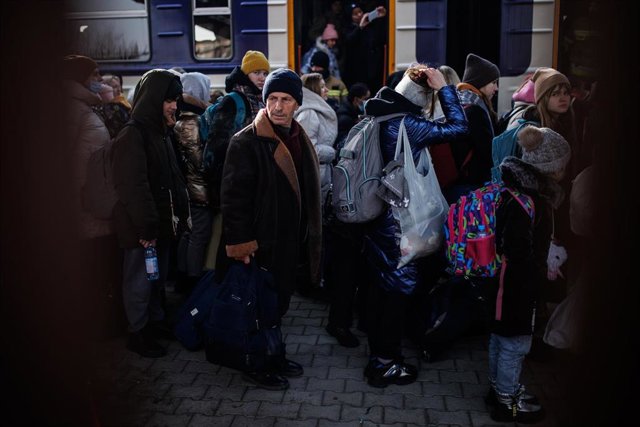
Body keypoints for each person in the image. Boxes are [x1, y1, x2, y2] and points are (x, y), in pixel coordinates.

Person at [335, 65, 468, 386]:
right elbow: (458, 127)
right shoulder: (407, 124)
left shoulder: (377, 116)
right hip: (398, 222)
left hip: (377, 214)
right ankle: (384, 363)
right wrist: (444, 89)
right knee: (398, 290)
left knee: (382, 285)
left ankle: (379, 353)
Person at [215, 68, 322, 390]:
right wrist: (241, 244)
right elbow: (233, 200)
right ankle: (257, 363)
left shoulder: (298, 136)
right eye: (272, 98)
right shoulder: (246, 141)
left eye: (286, 99)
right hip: (261, 243)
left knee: (278, 305)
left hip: (289, 240)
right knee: (258, 309)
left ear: (297, 103)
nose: (278, 106)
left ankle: (274, 354)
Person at [487, 125, 571, 423]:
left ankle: (499, 388)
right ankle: (506, 400)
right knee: (515, 343)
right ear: (549, 169)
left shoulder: (518, 193)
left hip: (506, 281)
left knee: (501, 337)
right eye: (561, 167)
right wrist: (535, 282)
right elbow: (519, 249)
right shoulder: (530, 202)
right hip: (517, 285)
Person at [111, 69, 191, 358]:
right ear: (154, 99)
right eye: (169, 100)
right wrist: (146, 229)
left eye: (176, 100)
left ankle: (154, 323)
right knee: (140, 282)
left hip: (158, 226)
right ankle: (137, 331)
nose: (174, 106)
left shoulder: (161, 132)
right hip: (142, 230)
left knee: (155, 280)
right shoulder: (133, 135)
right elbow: (133, 186)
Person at [63, 54, 124, 338]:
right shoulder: (71, 108)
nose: (99, 80)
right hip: (84, 203)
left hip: (94, 200)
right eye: (95, 74)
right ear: (81, 77)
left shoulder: (85, 106)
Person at [202, 50, 270, 270]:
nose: (261, 77)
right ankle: (212, 279)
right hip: (229, 179)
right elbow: (215, 146)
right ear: (245, 73)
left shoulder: (262, 101)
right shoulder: (232, 101)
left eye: (264, 73)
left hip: (253, 179)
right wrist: (218, 183)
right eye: (256, 72)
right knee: (223, 231)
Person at [173, 72, 212, 293]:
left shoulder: (180, 119)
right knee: (198, 235)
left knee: (187, 234)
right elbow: (200, 162)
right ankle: (191, 280)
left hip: (188, 188)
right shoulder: (194, 123)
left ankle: (183, 276)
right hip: (198, 190)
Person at [447, 53, 500, 202]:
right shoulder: (476, 111)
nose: (496, 88)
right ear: (481, 82)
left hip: (453, 183)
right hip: (471, 187)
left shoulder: (457, 103)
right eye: (493, 82)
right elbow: (488, 153)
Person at [342, 3, 388, 92]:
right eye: (355, 14)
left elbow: (381, 39)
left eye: (360, 12)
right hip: (356, 71)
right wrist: (360, 27)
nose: (359, 15)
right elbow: (349, 41)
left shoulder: (371, 26)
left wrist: (381, 18)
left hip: (372, 70)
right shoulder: (347, 28)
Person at [335, 82, 370, 151]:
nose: (367, 101)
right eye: (365, 98)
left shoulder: (355, 111)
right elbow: (343, 140)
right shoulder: (344, 117)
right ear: (356, 99)